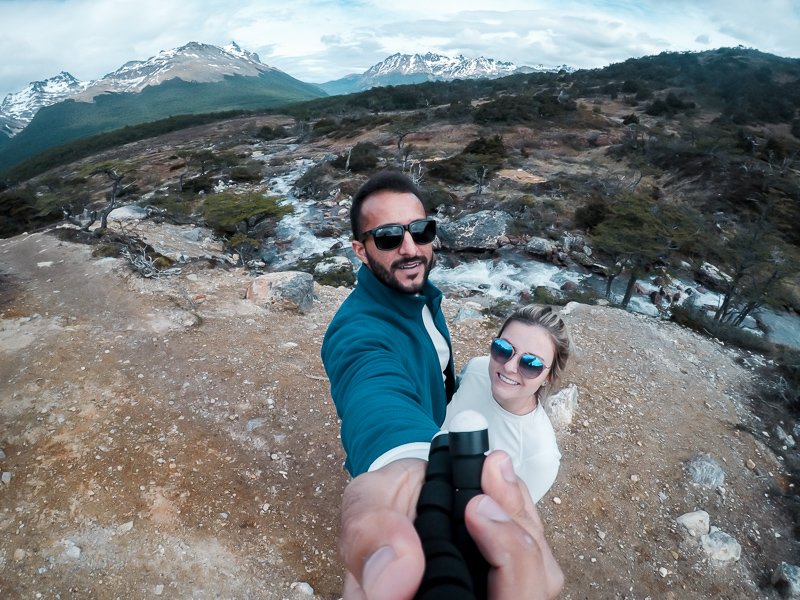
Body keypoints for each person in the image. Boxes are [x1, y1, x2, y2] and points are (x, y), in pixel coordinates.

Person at [322, 170, 564, 600]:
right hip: (405, 455)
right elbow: (373, 390)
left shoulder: (423, 297)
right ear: (360, 250)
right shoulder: (355, 331)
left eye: (421, 230)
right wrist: (417, 466)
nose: (411, 248)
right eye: (388, 237)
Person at [443, 305, 572, 503]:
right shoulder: (476, 369)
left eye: (531, 364)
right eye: (503, 349)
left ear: (549, 377)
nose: (509, 367)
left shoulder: (539, 455)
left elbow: (510, 520)